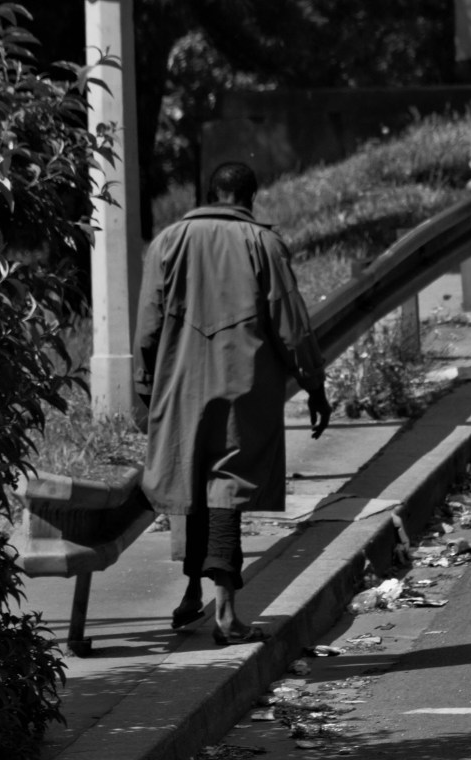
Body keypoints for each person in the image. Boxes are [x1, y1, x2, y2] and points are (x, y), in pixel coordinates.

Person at [133, 161, 332, 644]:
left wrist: (144, 390)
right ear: (251, 198)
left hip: (180, 384)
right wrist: (313, 384)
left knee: (189, 477)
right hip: (244, 386)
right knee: (226, 485)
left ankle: (190, 595)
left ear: (208, 193)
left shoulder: (166, 242)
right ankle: (224, 613)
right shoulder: (263, 244)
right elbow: (291, 324)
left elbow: (148, 325)